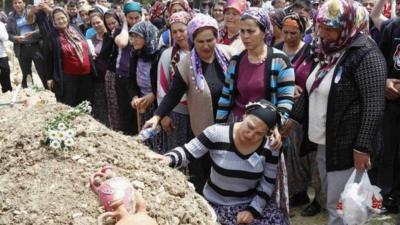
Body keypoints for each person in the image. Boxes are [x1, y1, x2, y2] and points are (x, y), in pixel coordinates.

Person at [283, 0, 387, 224]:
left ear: (348, 25)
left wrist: (362, 147)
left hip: (348, 146)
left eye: (330, 28)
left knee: (346, 207)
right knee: (333, 201)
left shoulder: (366, 54)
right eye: (321, 26)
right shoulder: (327, 51)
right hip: (323, 140)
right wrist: (292, 119)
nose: (323, 32)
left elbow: (374, 105)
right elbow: (312, 89)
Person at [150, 100, 289, 225]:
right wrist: (168, 159)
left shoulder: (271, 147)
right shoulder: (217, 133)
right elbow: (188, 151)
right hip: (214, 203)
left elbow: (267, 184)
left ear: (267, 133)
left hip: (247, 204)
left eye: (259, 133)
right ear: (244, 116)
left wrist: (252, 211)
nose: (251, 135)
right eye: (250, 126)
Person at [144, 14, 233, 193]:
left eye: (210, 40)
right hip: (204, 128)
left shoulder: (229, 55)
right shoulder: (187, 64)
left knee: (228, 170)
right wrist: (157, 116)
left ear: (217, 37)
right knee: (205, 172)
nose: (206, 45)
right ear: (193, 40)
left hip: (230, 127)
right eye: (200, 41)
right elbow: (173, 94)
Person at [45, 7, 96, 107]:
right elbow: (49, 59)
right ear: (53, 21)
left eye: (62, 18)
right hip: (69, 78)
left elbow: (85, 44)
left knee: (87, 104)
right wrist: (49, 77)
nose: (61, 21)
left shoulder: (75, 28)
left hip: (86, 75)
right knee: (71, 104)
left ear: (67, 17)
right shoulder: (52, 36)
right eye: (57, 19)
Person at [157, 11, 192, 153]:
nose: (178, 35)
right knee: (177, 153)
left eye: (182, 30)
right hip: (176, 114)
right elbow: (162, 87)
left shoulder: (202, 52)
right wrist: (164, 115)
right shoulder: (167, 55)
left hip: (199, 114)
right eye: (174, 32)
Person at [377, 14, 400, 214]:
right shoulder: (391, 28)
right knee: (387, 150)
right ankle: (386, 196)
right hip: (391, 102)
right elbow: (379, 61)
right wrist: (385, 81)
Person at [128, 21, 161, 151]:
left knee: (157, 137)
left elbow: (165, 82)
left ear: (147, 37)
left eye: (137, 37)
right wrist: (134, 96)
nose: (133, 40)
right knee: (144, 137)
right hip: (142, 102)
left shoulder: (159, 55)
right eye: (132, 36)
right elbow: (130, 79)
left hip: (157, 103)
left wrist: (153, 94)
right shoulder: (135, 55)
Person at [7, 0, 48, 89]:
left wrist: (33, 34)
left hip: (36, 46)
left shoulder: (33, 13)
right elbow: (9, 34)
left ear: (24, 3)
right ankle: (29, 92)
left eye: (19, 2)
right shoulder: (10, 18)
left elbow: (43, 28)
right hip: (22, 48)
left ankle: (50, 91)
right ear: (13, 5)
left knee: (43, 70)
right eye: (15, 3)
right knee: (26, 73)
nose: (17, 5)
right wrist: (15, 38)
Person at [88, 11, 115, 127]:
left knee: (112, 104)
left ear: (103, 21)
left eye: (98, 22)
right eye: (93, 23)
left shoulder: (111, 36)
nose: (96, 25)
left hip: (110, 76)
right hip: (97, 77)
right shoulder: (91, 39)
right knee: (100, 104)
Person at [0, 20, 11, 93]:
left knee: (5, 72)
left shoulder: (0, 24)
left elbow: (5, 37)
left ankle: (7, 90)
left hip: (2, 53)